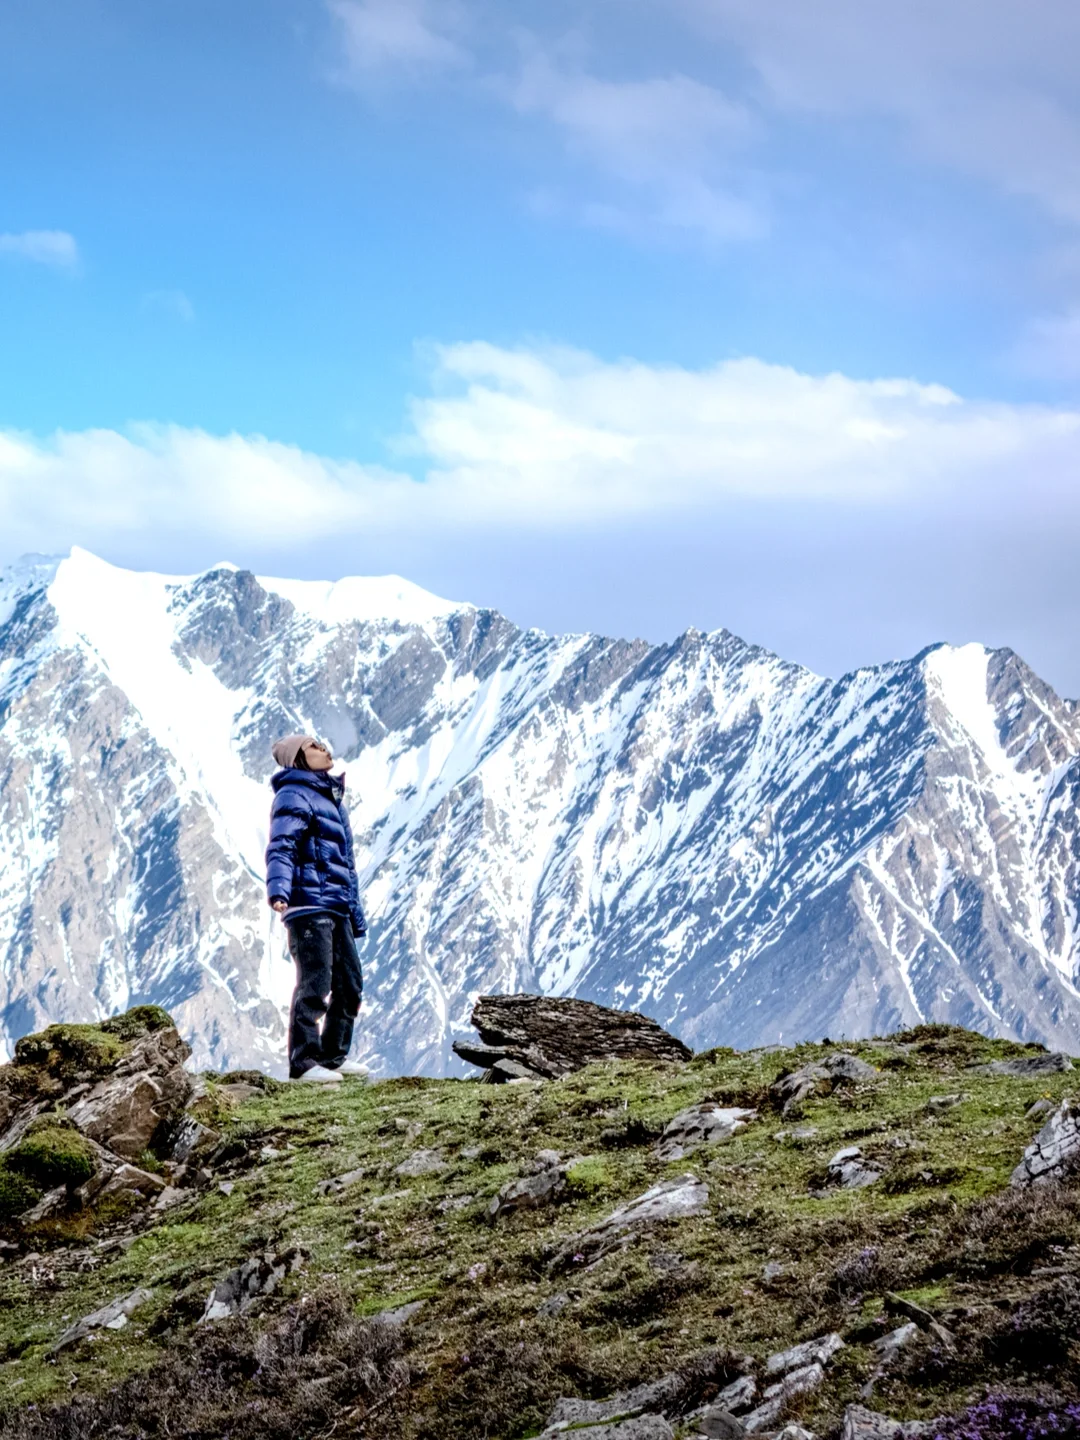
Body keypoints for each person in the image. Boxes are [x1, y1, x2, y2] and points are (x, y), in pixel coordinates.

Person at [265, 733, 368, 1083]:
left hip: (336, 906)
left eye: (321, 743)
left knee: (350, 983)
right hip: (309, 905)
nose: (323, 748)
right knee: (316, 983)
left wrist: (353, 911)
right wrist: (279, 890)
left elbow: (346, 863)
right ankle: (304, 1062)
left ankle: (332, 1057)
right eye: (313, 746)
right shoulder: (293, 795)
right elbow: (282, 845)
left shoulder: (330, 798)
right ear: (297, 758)